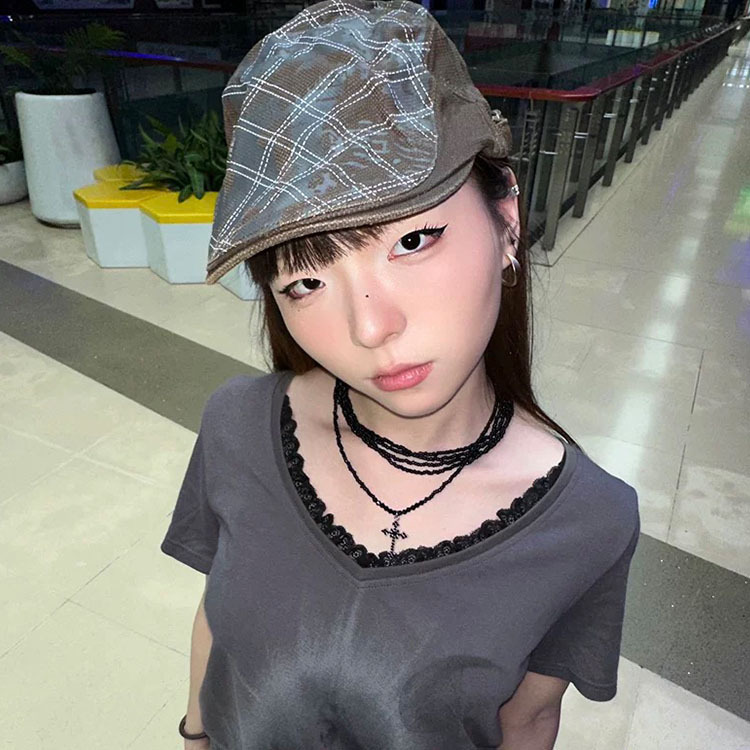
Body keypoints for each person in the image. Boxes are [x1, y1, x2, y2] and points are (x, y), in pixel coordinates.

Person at [160, 1, 641, 748]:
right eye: (305, 281)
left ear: (507, 220)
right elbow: (215, 622)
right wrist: (195, 737)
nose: (370, 328)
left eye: (411, 241)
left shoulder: (590, 521)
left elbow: (529, 718)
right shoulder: (238, 424)